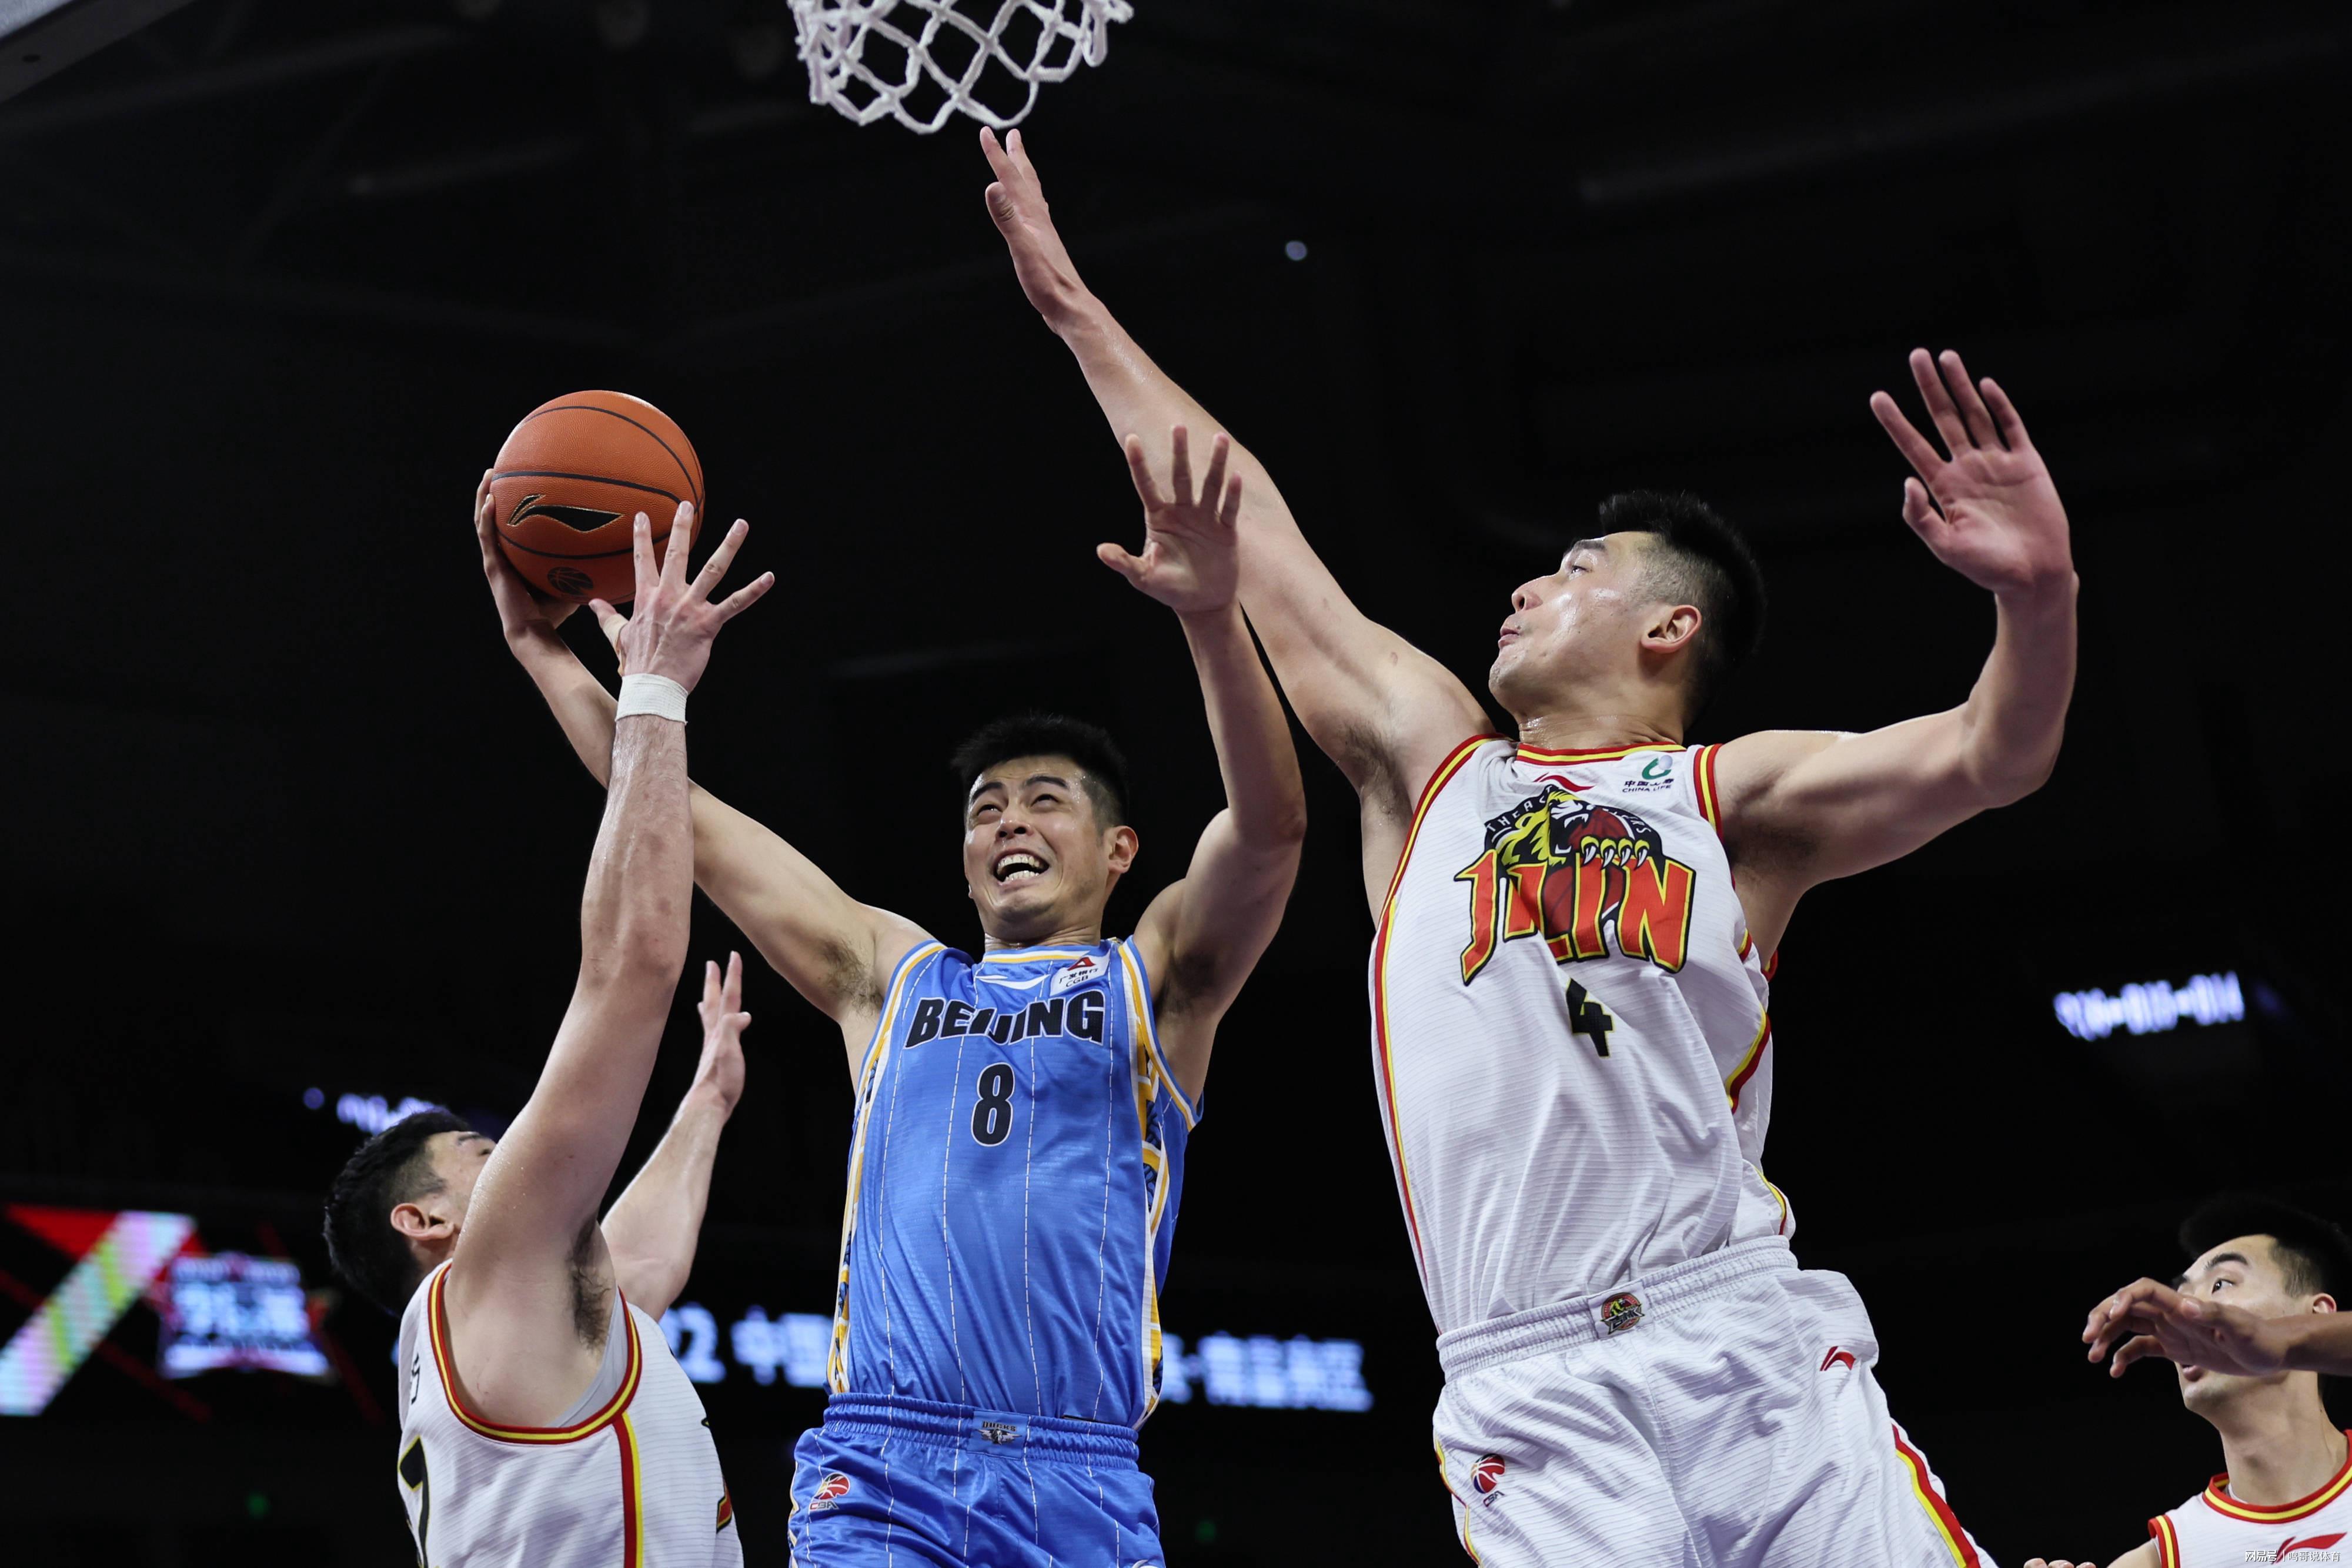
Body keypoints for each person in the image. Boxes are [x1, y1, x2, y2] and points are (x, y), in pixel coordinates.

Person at [981, 125, 2078, 1566]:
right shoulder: (1432, 765)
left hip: (1737, 1344)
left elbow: (1992, 754)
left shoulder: (1726, 799)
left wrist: (2039, 597)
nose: (1523, 585)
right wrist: (1076, 313)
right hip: (1527, 1389)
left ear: (1667, 626)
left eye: (1572, 573)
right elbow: (1237, 506)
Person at [476, 430, 1305, 1565]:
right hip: (882, 1470)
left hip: (1080, 1475)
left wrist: (1213, 620)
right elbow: (679, 819)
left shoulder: (1155, 978)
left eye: (1045, 799)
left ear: (1120, 850)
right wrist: (549, 655)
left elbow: (1271, 829)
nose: (1008, 821)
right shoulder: (892, 972)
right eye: (985, 809)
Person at [323, 506, 771, 1564]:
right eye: (483, 1149)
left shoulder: (511, 1326)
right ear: (424, 1218)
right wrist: (653, 689)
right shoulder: (488, 1278)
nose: (516, 1151)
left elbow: (638, 1260)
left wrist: (705, 1104)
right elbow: (629, 966)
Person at [2025, 1195, 2352, 1568]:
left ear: (2317, 1314)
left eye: (2221, 1284)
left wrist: (2286, 1342)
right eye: (2181, 1299)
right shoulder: (2161, 1559)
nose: (2184, 1318)